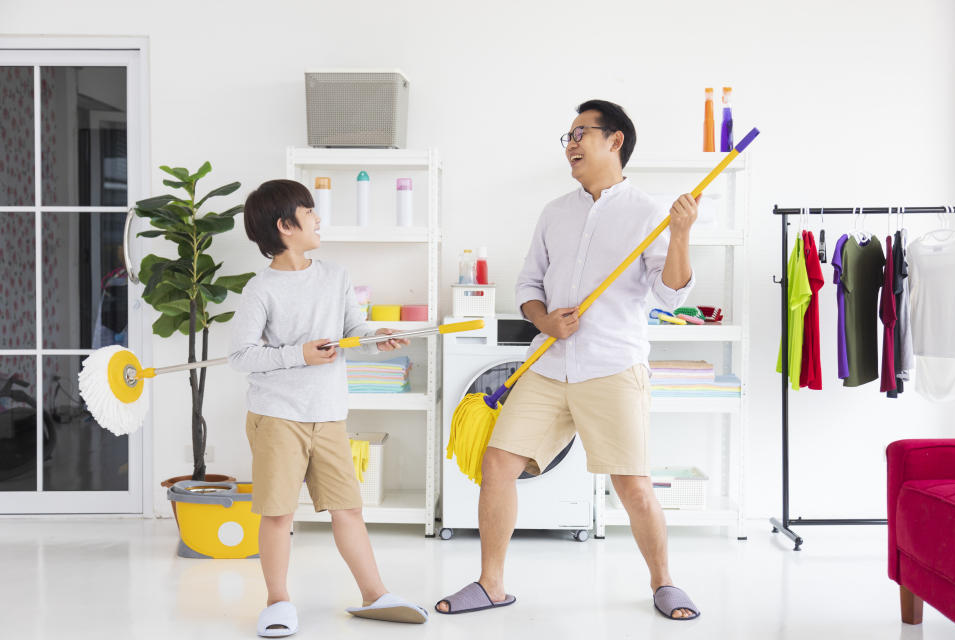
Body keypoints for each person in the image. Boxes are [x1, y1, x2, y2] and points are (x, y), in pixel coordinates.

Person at [436, 100, 701, 620]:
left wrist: (681, 234)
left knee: (632, 483)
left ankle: (664, 582)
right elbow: (528, 285)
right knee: (497, 463)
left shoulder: (650, 214)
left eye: (582, 133)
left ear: (615, 141)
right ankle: (491, 584)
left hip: (612, 366)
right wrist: (544, 322)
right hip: (550, 363)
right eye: (569, 135)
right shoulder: (555, 212)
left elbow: (670, 295)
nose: (572, 144)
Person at [230, 179, 428, 636]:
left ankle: (374, 594)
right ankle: (277, 602)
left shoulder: (335, 275)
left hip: (329, 413)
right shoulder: (261, 290)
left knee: (348, 508)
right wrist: (300, 353)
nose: (318, 219)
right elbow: (241, 356)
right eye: (310, 212)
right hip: (278, 416)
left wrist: (377, 340)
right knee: (279, 513)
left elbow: (352, 331)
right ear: (285, 226)